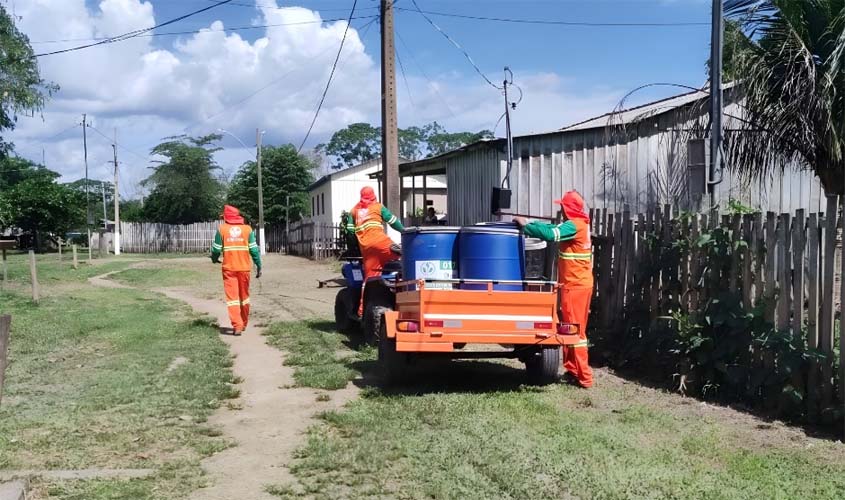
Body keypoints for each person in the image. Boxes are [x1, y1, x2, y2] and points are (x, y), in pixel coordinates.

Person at [514, 191, 594, 388]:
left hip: (576, 286)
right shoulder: (577, 224)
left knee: (576, 333)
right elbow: (552, 228)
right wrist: (531, 223)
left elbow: (550, 234)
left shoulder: (574, 225)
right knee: (569, 329)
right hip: (574, 285)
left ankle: (584, 377)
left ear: (569, 209)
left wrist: (526, 226)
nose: (561, 210)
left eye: (563, 207)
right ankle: (572, 370)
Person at [346, 186, 404, 315]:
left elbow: (349, 231)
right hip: (382, 244)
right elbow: (393, 221)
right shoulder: (378, 207)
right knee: (403, 263)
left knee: (369, 278)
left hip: (367, 249)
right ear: (373, 196)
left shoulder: (354, 210)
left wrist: (353, 246)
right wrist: (404, 231)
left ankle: (362, 311)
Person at [210, 205, 262, 336]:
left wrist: (214, 259)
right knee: (244, 297)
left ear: (226, 217)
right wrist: (258, 265)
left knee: (232, 298)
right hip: (244, 269)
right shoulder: (247, 229)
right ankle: (243, 323)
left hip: (229, 269)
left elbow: (216, 250)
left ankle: (237, 326)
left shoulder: (222, 229)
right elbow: (254, 250)